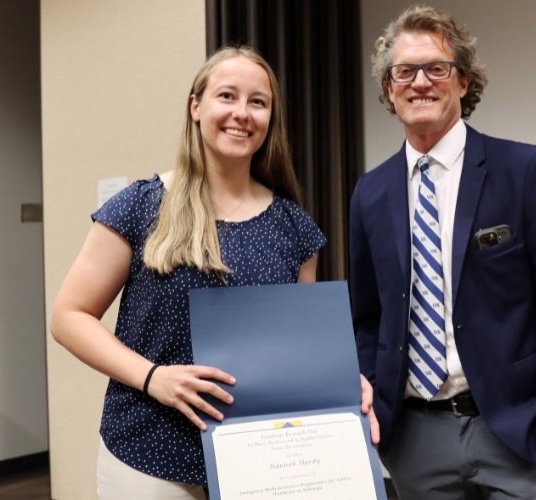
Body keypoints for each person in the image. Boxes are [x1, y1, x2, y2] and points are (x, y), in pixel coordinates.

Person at [51, 46, 374, 499]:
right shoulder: (140, 205)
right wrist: (153, 377)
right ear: (196, 106)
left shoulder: (294, 228)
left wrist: (341, 381)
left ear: (270, 118)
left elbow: (301, 351)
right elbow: (68, 316)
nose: (242, 113)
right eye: (227, 96)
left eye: (258, 102)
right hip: (150, 452)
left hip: (259, 461)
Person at [349, 5, 536, 499]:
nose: (420, 82)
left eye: (437, 68)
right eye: (404, 71)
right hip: (414, 440)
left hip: (518, 432)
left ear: (463, 82)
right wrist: (376, 410)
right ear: (389, 89)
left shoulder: (526, 171)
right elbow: (366, 317)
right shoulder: (369, 194)